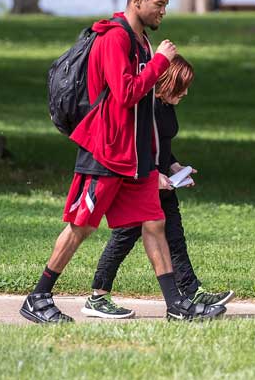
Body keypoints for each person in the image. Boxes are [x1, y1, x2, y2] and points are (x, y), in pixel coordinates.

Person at [20, 0, 226, 324]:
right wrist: (161, 60)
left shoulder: (142, 40)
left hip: (136, 159)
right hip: (105, 154)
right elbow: (127, 92)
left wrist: (161, 162)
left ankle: (176, 305)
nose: (163, 11)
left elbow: (144, 108)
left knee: (154, 223)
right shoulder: (114, 39)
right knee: (81, 226)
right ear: (136, 0)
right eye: (159, 4)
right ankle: (38, 296)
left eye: (166, 5)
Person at [81, 55, 235, 319]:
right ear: (166, 81)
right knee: (124, 238)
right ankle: (97, 297)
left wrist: (174, 166)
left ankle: (191, 292)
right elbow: (134, 146)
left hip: (164, 184)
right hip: (140, 183)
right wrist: (153, 175)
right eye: (181, 86)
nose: (185, 92)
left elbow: (161, 144)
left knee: (175, 236)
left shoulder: (165, 104)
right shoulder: (146, 106)